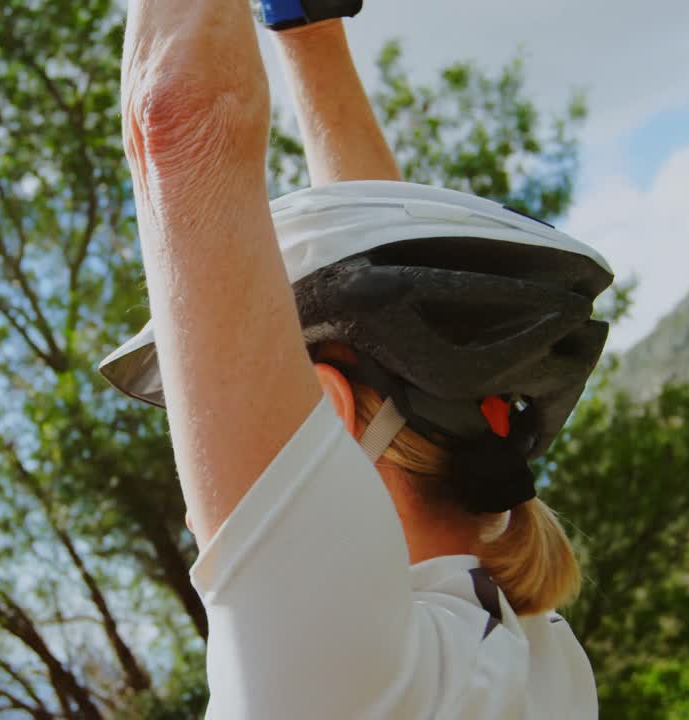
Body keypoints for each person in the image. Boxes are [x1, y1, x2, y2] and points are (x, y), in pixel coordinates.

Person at [102, 1, 612, 717]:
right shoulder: (532, 651)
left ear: (329, 411)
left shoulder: (341, 671)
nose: (193, 463)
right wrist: (305, 27)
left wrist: (309, 36)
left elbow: (178, 122)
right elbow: (378, 252)